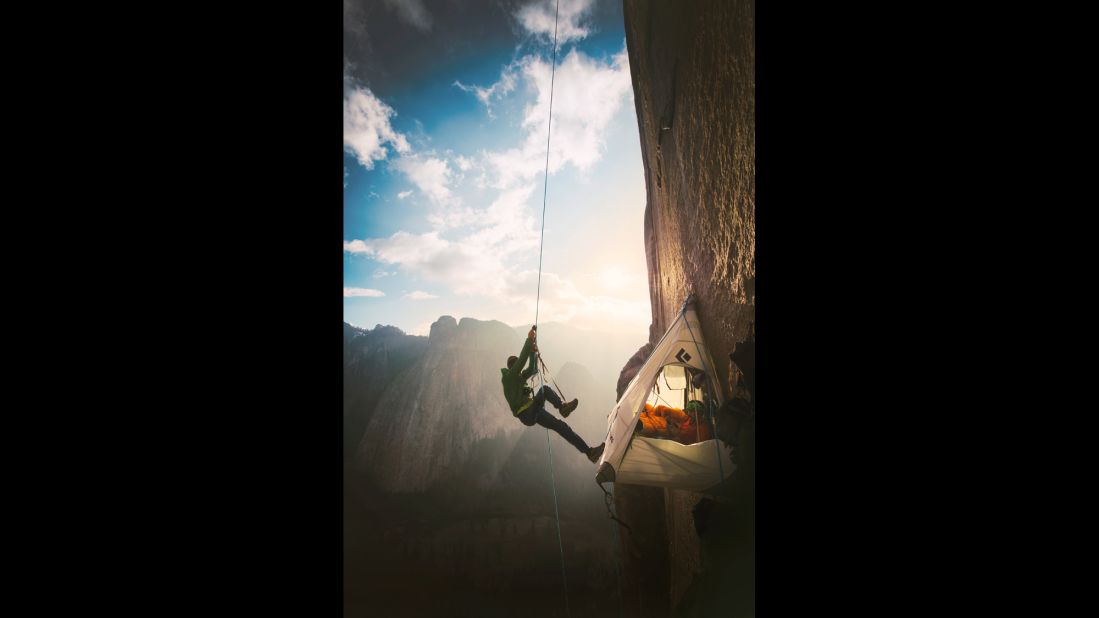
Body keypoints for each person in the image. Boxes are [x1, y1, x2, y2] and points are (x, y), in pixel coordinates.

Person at [502, 327, 605, 463]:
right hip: (527, 413)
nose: (520, 371)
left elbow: (532, 369)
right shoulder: (509, 379)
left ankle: (589, 451)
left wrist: (533, 352)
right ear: (512, 367)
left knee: (561, 425)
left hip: (532, 410)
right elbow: (521, 361)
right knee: (556, 418)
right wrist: (529, 340)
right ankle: (562, 409)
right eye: (517, 367)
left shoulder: (519, 378)